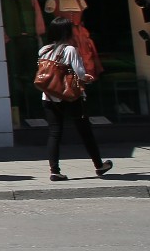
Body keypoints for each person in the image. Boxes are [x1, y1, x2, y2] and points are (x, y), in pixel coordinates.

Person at [39, 16, 109, 181]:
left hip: (49, 96)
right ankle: (99, 165)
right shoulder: (70, 50)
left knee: (54, 133)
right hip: (70, 96)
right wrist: (88, 78)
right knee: (85, 131)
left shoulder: (44, 50)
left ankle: (54, 170)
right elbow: (79, 73)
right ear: (67, 32)